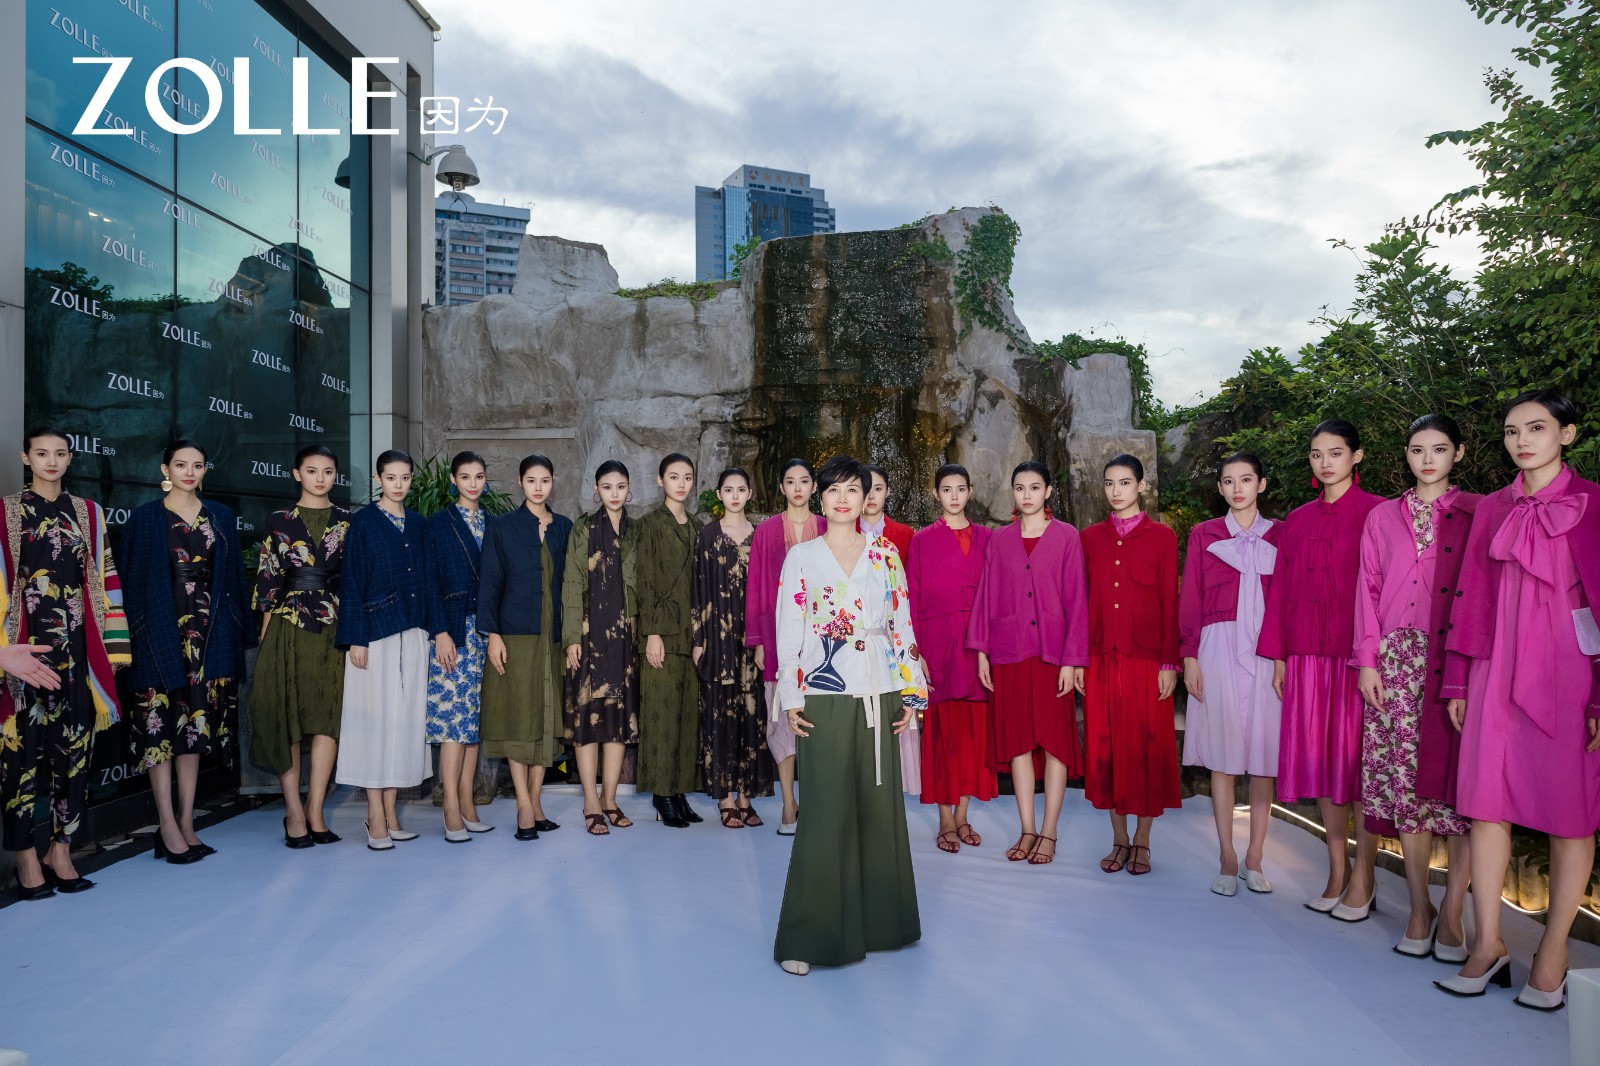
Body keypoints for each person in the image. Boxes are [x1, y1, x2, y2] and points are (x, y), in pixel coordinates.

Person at [1437, 389, 1600, 1009]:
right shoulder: (1491, 507)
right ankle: (1488, 944)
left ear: (1568, 434)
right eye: (1511, 431)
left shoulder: (1593, 504)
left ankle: (1553, 953)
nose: (1522, 441)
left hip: (1569, 673)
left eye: (1536, 428)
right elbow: (1469, 597)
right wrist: (1457, 678)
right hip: (1492, 668)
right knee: (1486, 806)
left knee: (1570, 813)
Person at [772, 454, 925, 975]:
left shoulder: (885, 554)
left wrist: (912, 694)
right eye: (833, 489)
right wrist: (791, 696)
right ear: (821, 497)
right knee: (825, 811)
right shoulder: (802, 557)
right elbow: (789, 629)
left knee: (878, 809)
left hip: (880, 690)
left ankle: (883, 925)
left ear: (867, 497)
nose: (843, 498)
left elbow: (902, 623)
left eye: (853, 489)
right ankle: (809, 936)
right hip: (823, 692)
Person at [1354, 415, 1475, 958]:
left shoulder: (1476, 513)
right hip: (1395, 660)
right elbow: (1367, 588)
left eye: (1440, 449)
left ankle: (1454, 913)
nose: (1428, 459)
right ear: (1405, 455)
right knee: (1406, 787)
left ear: (1459, 453)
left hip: (1455, 661)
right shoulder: (1382, 516)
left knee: (1460, 790)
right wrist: (1368, 662)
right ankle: (1421, 908)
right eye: (1418, 449)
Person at [1258, 419, 1383, 918]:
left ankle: (1365, 876)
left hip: (1357, 658)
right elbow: (1280, 589)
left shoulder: (1378, 512)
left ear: (1356, 456)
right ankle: (1337, 872)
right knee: (1326, 768)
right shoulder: (1297, 520)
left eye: (1335, 452)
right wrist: (1280, 656)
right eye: (1316, 454)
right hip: (1307, 655)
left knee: (1357, 767)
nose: (1325, 462)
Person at [0, 427, 129, 898]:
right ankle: (24, 857)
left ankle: (61, 850)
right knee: (19, 759)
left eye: (59, 453)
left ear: (70, 459)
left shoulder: (89, 513)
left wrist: (114, 649)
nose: (51, 461)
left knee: (74, 755)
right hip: (21, 656)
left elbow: (106, 577)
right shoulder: (5, 512)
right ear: (26, 458)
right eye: (41, 453)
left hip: (77, 653)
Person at [123, 439, 252, 864]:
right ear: (166, 469)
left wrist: (237, 632)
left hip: (208, 634)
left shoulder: (221, 515)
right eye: (181, 464)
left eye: (197, 465)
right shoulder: (145, 518)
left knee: (194, 728)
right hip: (157, 633)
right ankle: (166, 824)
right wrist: (132, 637)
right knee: (158, 727)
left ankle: (187, 821)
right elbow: (130, 582)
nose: (190, 472)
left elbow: (233, 580)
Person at [967, 461, 1089, 865]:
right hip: (1009, 652)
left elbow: (1077, 600)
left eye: (1035, 487)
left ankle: (1049, 832)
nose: (1027, 495)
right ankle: (1027, 829)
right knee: (1017, 742)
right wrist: (982, 651)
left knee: (1055, 743)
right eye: (1020, 488)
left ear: (1048, 491)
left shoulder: (1067, 537)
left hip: (1053, 655)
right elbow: (986, 596)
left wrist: (1072, 661)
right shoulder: (1000, 541)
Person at [1180, 453, 1283, 896]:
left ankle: (1254, 857)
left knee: (1263, 759)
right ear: (1220, 487)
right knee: (1222, 758)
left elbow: (1287, 601)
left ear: (1261, 484)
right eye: (1228, 481)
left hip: (1267, 651)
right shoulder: (1204, 534)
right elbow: (1190, 597)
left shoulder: (1281, 535)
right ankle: (1227, 856)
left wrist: (1282, 658)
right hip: (1217, 647)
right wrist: (1189, 657)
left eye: (1246, 479)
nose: (1237, 488)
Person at [1079, 455, 1182, 874]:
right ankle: (1118, 838)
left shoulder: (1163, 537)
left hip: (1146, 659)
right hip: (1100, 657)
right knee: (1106, 747)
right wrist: (1078, 660)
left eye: (1124, 482)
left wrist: (1169, 663)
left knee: (1145, 746)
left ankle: (1143, 840)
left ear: (1141, 485)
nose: (1116, 490)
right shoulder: (1090, 538)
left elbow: (1170, 601)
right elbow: (1081, 601)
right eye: (1109, 483)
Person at [335, 450, 439, 851]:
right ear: (379, 479)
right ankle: (374, 815)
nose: (399, 485)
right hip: (374, 635)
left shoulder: (420, 525)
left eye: (405, 477)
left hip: (413, 634)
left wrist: (435, 631)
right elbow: (351, 581)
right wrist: (356, 638)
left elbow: (428, 582)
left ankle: (392, 813)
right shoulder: (363, 523)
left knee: (404, 724)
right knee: (374, 725)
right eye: (391, 477)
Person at [251, 445, 351, 849]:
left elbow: (354, 578)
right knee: (287, 716)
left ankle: (316, 809)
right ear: (297, 474)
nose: (320, 478)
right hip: (287, 626)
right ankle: (293, 810)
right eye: (312, 471)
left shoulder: (347, 521)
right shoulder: (279, 520)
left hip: (334, 627)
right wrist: (265, 633)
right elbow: (267, 576)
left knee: (328, 717)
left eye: (328, 471)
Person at [479, 455, 570, 841]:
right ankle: (522, 805)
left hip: (552, 638)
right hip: (515, 637)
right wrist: (493, 635)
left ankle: (535, 802)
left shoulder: (564, 527)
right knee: (519, 721)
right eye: (531, 480)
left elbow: (570, 585)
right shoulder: (502, 527)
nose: (538, 487)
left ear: (553, 482)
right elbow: (490, 583)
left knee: (544, 722)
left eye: (545, 480)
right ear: (520, 482)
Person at [906, 463, 996, 853]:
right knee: (941, 735)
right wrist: (917, 654)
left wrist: (990, 647)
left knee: (974, 735)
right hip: (938, 646)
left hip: (977, 649)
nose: (954, 496)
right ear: (936, 494)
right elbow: (910, 598)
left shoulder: (989, 538)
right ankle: (945, 818)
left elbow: (996, 595)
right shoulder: (922, 540)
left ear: (970, 491)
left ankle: (963, 814)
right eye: (947, 489)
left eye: (961, 489)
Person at [746, 458, 824, 834]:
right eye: (790, 481)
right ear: (781, 487)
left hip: (822, 642)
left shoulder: (826, 527)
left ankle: (818, 804)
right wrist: (759, 642)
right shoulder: (765, 532)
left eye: (804, 481)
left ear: (814, 487)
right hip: (778, 639)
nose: (797, 488)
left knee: (817, 721)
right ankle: (789, 804)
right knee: (780, 722)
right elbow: (757, 589)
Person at [563, 460, 640, 836]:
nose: (614, 493)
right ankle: (590, 802)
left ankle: (610, 799)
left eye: (620, 486)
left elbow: (641, 583)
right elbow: (571, 582)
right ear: (596, 490)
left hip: (624, 639)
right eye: (607, 487)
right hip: (589, 637)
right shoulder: (583, 528)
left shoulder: (635, 530)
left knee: (618, 722)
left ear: (629, 489)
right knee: (587, 719)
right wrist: (571, 638)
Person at [693, 467, 772, 827]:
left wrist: (766, 640)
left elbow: (767, 592)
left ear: (750, 493)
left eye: (741, 489)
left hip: (752, 640)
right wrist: (698, 640)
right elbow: (697, 589)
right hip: (717, 638)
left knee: (751, 715)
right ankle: (725, 798)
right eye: (729, 490)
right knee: (719, 715)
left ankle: (745, 796)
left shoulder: (760, 536)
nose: (735, 496)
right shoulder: (706, 535)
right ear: (719, 494)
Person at [425, 452, 493, 843]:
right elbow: (430, 581)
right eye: (465, 477)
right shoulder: (439, 523)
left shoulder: (493, 523)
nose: (472, 483)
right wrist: (440, 632)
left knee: (474, 722)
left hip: (485, 633)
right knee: (453, 720)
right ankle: (450, 804)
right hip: (453, 632)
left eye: (479, 476)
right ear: (453, 479)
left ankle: (468, 801)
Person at [635, 452, 705, 828]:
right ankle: (661, 794)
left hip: (690, 634)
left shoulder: (697, 526)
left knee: (685, 716)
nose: (681, 484)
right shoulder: (649, 524)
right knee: (660, 715)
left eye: (687, 477)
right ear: (660, 480)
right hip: (661, 633)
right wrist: (652, 633)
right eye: (674, 477)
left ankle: (678, 790)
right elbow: (644, 581)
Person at [862, 463, 919, 796]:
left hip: (894, 635)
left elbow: (910, 595)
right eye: (865, 488)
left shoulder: (904, 535)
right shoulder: (843, 532)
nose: (871, 496)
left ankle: (892, 787)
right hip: (860, 636)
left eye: (879, 489)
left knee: (895, 709)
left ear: (888, 492)